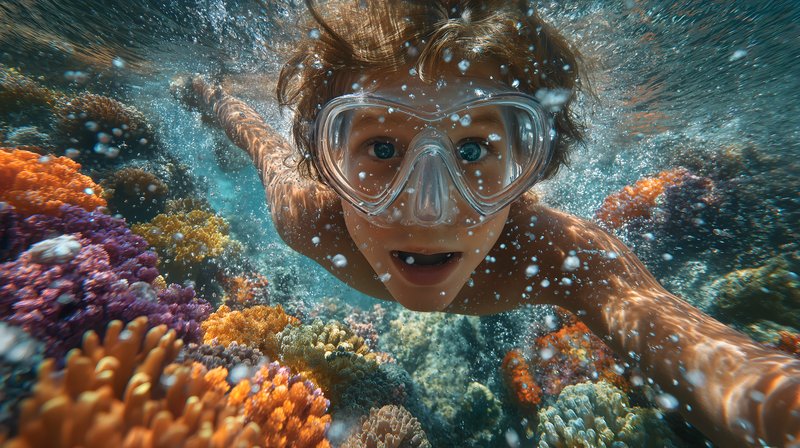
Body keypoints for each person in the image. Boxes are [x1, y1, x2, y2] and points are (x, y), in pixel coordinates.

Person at [177, 1, 800, 446]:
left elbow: (716, 362)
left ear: (531, 169)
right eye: (382, 149)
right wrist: (212, 100)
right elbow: (260, 143)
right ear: (326, 158)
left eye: (473, 150)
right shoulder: (308, 215)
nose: (427, 209)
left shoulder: (558, 254)